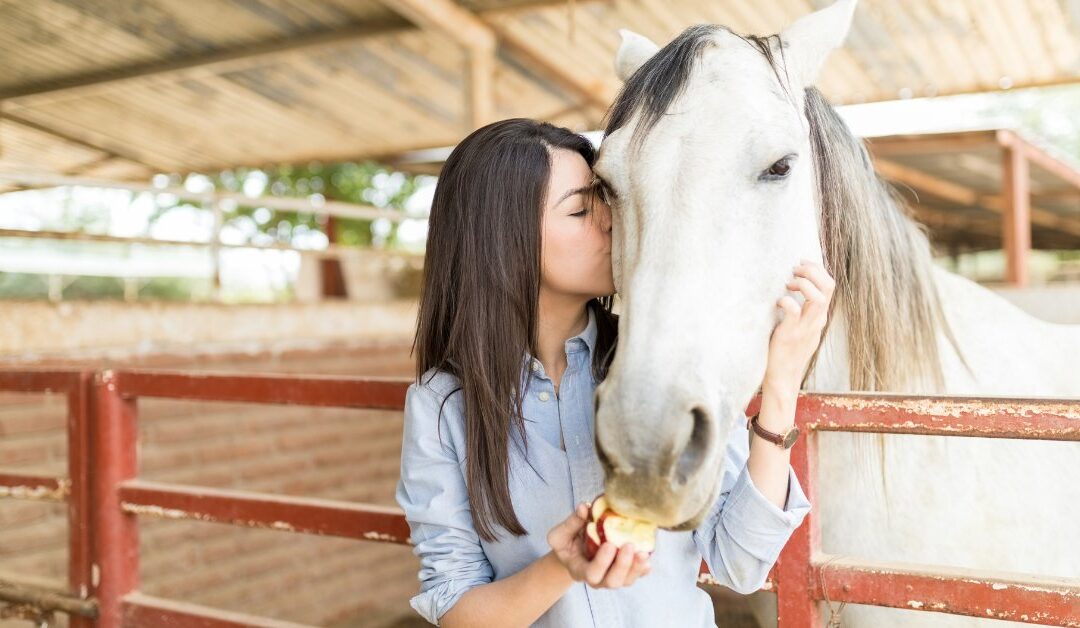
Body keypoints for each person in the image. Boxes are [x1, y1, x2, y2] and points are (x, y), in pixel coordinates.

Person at [395, 118, 833, 627]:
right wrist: (567, 564)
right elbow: (458, 614)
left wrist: (780, 385)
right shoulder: (442, 404)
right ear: (502, 239)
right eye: (581, 209)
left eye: (605, 201)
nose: (611, 222)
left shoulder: (662, 358)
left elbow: (742, 563)